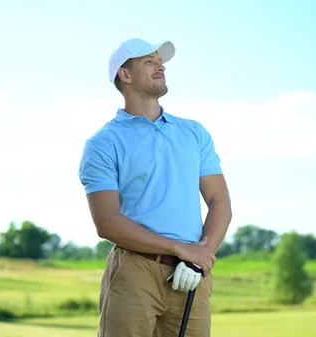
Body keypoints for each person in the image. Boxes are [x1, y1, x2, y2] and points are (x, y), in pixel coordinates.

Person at [78, 38, 232, 337]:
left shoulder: (194, 133)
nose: (160, 66)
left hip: (193, 275)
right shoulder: (104, 143)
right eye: (148, 61)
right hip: (135, 272)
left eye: (159, 61)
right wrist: (180, 248)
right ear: (125, 75)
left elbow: (220, 202)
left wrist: (200, 258)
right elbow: (107, 223)